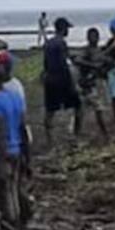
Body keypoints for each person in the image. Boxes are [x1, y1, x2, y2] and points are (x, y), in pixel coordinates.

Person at [0, 62, 31, 230]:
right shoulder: (15, 97)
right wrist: (27, 155)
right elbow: (22, 127)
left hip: (3, 152)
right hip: (17, 150)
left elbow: (0, 132)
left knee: (5, 196)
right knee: (13, 191)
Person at [42, 17, 82, 146]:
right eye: (67, 29)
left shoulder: (48, 43)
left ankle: (49, 139)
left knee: (50, 110)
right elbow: (64, 65)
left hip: (50, 79)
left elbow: (46, 64)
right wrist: (71, 83)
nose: (68, 32)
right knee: (78, 106)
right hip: (62, 80)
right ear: (63, 29)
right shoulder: (61, 43)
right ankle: (75, 137)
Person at [73, 27, 111, 140]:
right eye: (91, 36)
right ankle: (76, 135)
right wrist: (93, 65)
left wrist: (105, 67)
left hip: (94, 84)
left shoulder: (99, 51)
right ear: (88, 38)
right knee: (80, 112)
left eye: (95, 36)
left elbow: (105, 63)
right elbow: (78, 60)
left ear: (98, 38)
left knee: (99, 110)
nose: (93, 39)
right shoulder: (86, 50)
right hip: (85, 85)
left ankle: (104, 133)